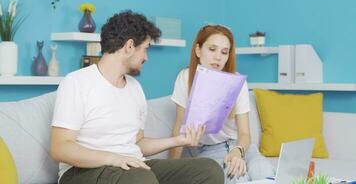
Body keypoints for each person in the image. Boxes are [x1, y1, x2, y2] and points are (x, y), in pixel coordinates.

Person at [50, 11, 224, 184]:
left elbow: (138, 143)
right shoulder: (77, 82)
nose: (146, 57)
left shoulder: (135, 88)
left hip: (131, 168)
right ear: (130, 46)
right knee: (140, 178)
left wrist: (177, 140)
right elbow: (60, 148)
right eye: (145, 49)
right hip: (82, 172)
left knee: (209, 170)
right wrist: (114, 159)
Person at [169, 25, 275, 183]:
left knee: (265, 171)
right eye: (212, 49)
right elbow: (178, 129)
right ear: (198, 50)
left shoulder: (237, 81)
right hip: (206, 149)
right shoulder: (186, 78)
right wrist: (171, 170)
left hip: (240, 146)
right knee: (238, 177)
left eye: (224, 52)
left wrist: (237, 151)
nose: (218, 57)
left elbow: (245, 134)